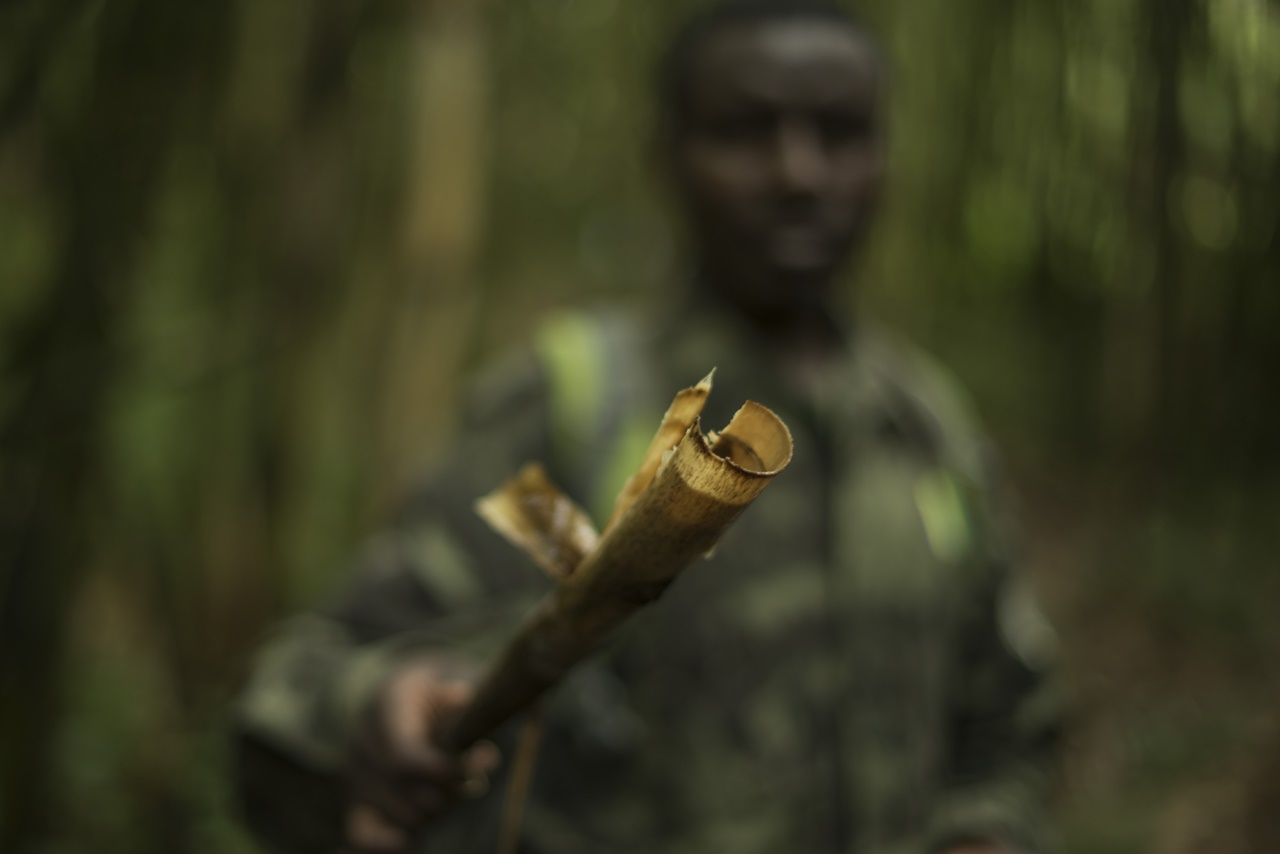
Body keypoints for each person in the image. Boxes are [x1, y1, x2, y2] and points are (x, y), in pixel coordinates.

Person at [233, 1, 1063, 852]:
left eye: (841, 132)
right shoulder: (575, 420)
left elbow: (1007, 722)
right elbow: (308, 682)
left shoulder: (925, 433)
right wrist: (377, 708)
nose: (799, 172)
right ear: (667, 155)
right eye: (745, 131)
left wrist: (985, 827)